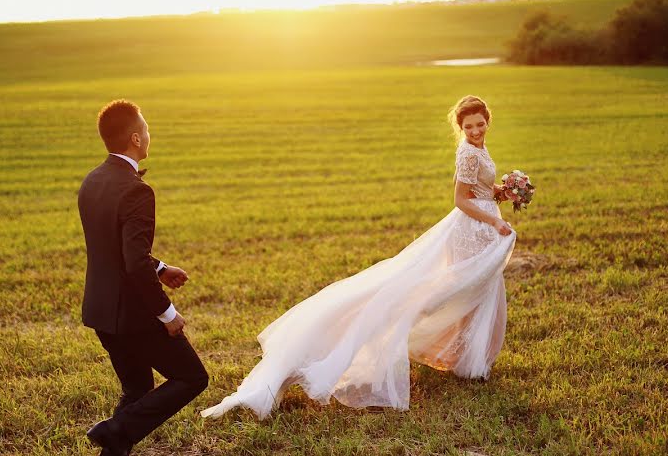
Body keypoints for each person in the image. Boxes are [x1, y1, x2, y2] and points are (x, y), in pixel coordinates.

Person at [201, 95, 515, 420]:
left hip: (483, 231)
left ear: (487, 121)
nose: (475, 130)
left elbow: (477, 190)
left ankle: (468, 361)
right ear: (460, 127)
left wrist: (501, 192)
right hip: (472, 231)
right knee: (444, 294)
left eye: (480, 124)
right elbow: (460, 199)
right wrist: (494, 219)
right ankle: (462, 361)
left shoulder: (478, 148)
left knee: (475, 294)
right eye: (469, 126)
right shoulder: (466, 151)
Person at [77, 99, 209, 456]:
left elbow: (118, 251)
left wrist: (160, 268)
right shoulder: (138, 191)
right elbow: (131, 262)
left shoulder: (93, 180)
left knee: (136, 392)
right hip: (132, 315)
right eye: (147, 129)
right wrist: (167, 313)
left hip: (101, 311)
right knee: (192, 377)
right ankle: (114, 430)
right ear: (136, 138)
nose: (150, 135)